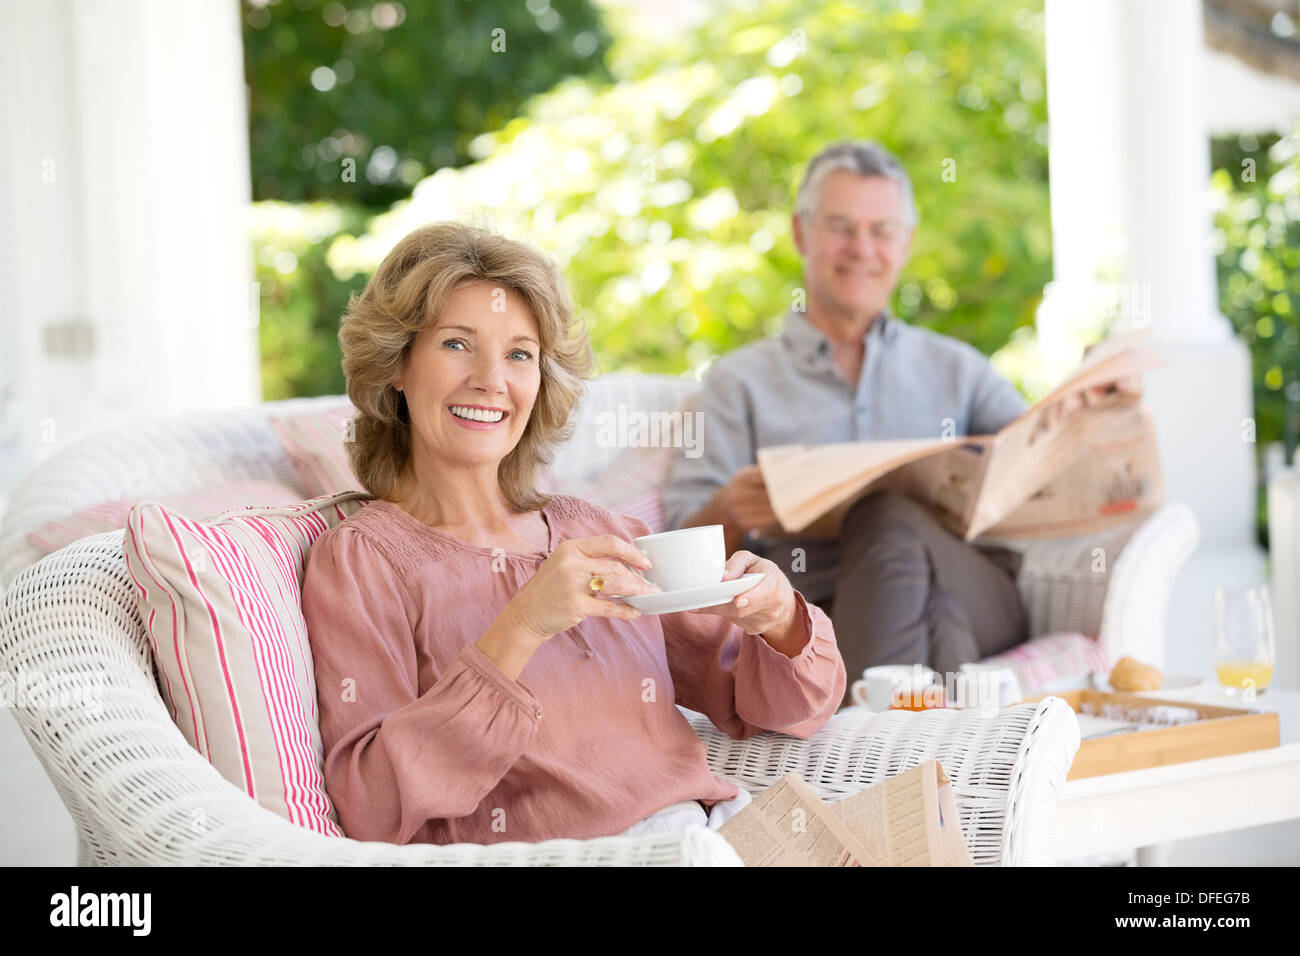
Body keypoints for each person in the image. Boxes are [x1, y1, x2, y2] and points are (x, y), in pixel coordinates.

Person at [299, 221, 846, 846]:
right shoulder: (363, 562)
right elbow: (372, 802)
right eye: (456, 344)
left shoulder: (602, 533)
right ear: (397, 365)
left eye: (519, 354)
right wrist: (522, 625)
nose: (491, 379)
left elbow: (780, 710)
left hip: (717, 835)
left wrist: (777, 620)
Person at [662, 141, 1032, 708]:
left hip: (975, 585)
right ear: (801, 232)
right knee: (939, 618)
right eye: (841, 227)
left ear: (905, 244)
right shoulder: (738, 382)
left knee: (887, 519)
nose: (862, 249)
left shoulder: (958, 367)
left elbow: (1034, 457)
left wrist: (1095, 410)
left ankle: (856, 743)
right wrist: (732, 510)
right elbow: (679, 550)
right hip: (815, 608)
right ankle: (940, 750)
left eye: (882, 230)